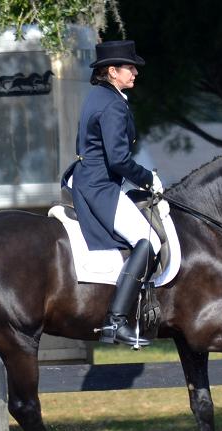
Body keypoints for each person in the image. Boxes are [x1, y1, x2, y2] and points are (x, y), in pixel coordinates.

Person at [61, 40, 164, 347]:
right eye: (129, 67)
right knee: (149, 241)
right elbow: (118, 159)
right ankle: (115, 321)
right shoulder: (113, 104)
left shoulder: (99, 96)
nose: (135, 72)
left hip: (90, 178)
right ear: (111, 71)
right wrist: (148, 178)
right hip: (99, 186)